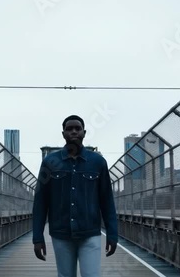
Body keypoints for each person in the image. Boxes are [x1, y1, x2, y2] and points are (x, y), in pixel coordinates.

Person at [32, 115, 118, 277]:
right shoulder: (50, 162)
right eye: (69, 129)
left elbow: (107, 200)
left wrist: (112, 234)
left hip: (90, 233)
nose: (74, 132)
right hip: (61, 233)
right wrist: (37, 238)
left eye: (77, 129)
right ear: (63, 133)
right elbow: (41, 202)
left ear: (84, 133)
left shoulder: (98, 162)